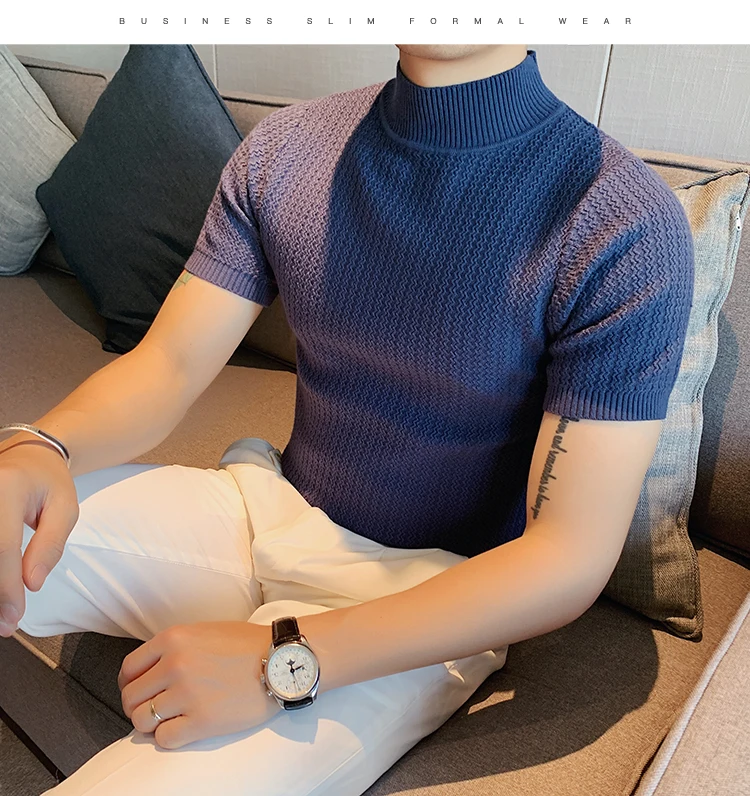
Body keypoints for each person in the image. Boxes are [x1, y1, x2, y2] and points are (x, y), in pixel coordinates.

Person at [0, 44, 694, 794]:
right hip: (265, 508)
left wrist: (281, 659)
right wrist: (41, 444)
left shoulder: (622, 220)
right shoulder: (286, 150)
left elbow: (568, 555)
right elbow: (167, 365)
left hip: (428, 599)